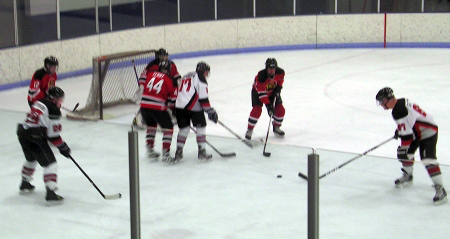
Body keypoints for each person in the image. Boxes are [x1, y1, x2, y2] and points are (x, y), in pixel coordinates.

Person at [376, 87, 447, 204]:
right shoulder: (401, 102)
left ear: (389, 98)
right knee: (405, 154)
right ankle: (408, 176)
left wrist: (403, 146)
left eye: (382, 101)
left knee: (428, 159)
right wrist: (400, 130)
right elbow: (410, 121)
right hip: (417, 131)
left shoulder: (399, 111)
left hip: (428, 131)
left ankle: (440, 189)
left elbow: (407, 136)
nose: (382, 105)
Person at [17, 86, 70, 205]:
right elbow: (53, 136)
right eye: (59, 99)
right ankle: (50, 193)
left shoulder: (40, 102)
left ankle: (25, 182)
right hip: (35, 136)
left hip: (22, 133)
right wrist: (63, 147)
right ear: (53, 99)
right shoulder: (54, 111)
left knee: (31, 158)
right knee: (51, 164)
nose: (61, 102)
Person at [174, 62, 218, 162]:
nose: (207, 75)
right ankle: (202, 152)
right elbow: (203, 100)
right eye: (206, 72)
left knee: (184, 129)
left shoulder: (187, 75)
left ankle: (178, 152)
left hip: (179, 106)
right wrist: (210, 111)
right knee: (201, 127)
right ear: (202, 72)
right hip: (193, 107)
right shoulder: (201, 80)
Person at [139, 60, 177, 163]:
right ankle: (165, 154)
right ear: (169, 70)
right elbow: (173, 99)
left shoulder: (150, 74)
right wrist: (174, 110)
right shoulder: (170, 79)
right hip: (157, 107)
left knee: (151, 126)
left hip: (143, 106)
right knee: (168, 128)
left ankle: (150, 149)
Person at [133, 48, 181, 128]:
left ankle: (171, 114)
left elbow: (176, 74)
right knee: (154, 101)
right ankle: (140, 117)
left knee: (167, 100)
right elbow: (144, 76)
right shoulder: (152, 65)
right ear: (157, 56)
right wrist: (142, 86)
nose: (164, 58)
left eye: (165, 56)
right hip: (156, 88)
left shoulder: (171, 64)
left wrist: (179, 81)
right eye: (162, 56)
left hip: (165, 87)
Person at [245, 58, 285, 140]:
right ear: (266, 68)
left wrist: (278, 89)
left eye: (273, 68)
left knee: (280, 110)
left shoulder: (280, 72)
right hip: (258, 93)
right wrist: (269, 106)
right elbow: (262, 94)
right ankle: (250, 129)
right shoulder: (261, 76)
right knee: (257, 110)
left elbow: (280, 81)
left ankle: (276, 126)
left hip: (272, 92)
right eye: (270, 69)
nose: (272, 71)